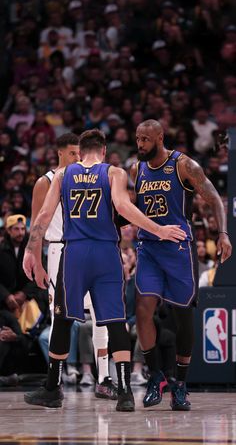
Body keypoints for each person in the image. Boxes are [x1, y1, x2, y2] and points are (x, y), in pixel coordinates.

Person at [23, 128, 186, 411]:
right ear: (103, 150)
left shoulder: (63, 175)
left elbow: (44, 216)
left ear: (80, 150)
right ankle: (124, 392)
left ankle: (52, 388)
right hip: (106, 254)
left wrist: (30, 249)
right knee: (113, 320)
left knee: (62, 319)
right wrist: (158, 229)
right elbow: (124, 207)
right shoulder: (114, 173)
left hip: (73, 253)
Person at [131, 119, 232, 411]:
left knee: (182, 317)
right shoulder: (137, 169)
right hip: (149, 248)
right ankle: (155, 376)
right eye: (138, 139)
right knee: (142, 309)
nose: (140, 145)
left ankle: (181, 383)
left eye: (146, 139)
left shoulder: (184, 165)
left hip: (178, 249)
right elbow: (131, 208)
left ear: (160, 137)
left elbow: (213, 197)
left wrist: (222, 233)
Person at [30, 132, 116, 398]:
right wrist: (35, 259)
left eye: (79, 153)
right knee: (61, 317)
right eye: (71, 153)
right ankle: (56, 379)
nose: (77, 158)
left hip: (87, 249)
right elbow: (37, 222)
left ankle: (104, 377)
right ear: (59, 153)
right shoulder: (47, 181)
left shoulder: (88, 178)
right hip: (58, 249)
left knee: (100, 316)